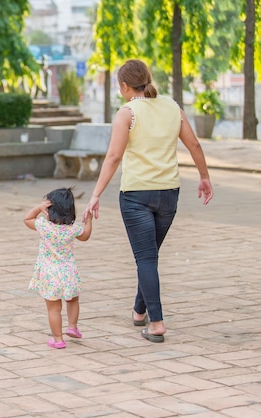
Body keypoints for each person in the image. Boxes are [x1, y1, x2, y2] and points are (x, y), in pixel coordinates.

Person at [83, 59, 213, 343]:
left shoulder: (127, 113)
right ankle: (139, 311)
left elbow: (114, 157)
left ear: (125, 86)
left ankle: (156, 323)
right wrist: (204, 177)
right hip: (169, 194)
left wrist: (95, 195)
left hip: (136, 196)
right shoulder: (171, 106)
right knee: (149, 256)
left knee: (145, 258)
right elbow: (194, 144)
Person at [24, 187, 93, 349]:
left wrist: (38, 208)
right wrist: (88, 220)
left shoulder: (43, 226)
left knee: (54, 309)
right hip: (68, 272)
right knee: (73, 299)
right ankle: (73, 327)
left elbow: (27, 219)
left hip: (50, 274)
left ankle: (58, 339)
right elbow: (86, 235)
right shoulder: (73, 229)